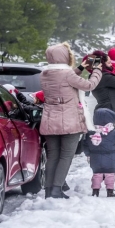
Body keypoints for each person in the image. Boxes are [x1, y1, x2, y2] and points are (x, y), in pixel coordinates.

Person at [39, 42, 103, 199]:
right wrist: (97, 70)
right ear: (65, 57)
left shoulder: (45, 74)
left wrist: (81, 68)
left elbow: (66, 79)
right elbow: (89, 85)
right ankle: (56, 189)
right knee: (66, 156)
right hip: (69, 122)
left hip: (49, 121)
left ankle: (48, 190)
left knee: (53, 155)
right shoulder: (67, 75)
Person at [82, 108, 115, 197]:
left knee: (97, 175)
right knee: (110, 175)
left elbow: (85, 144)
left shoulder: (91, 132)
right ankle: (110, 191)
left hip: (95, 160)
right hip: (111, 159)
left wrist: (88, 154)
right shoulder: (114, 133)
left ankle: (95, 191)